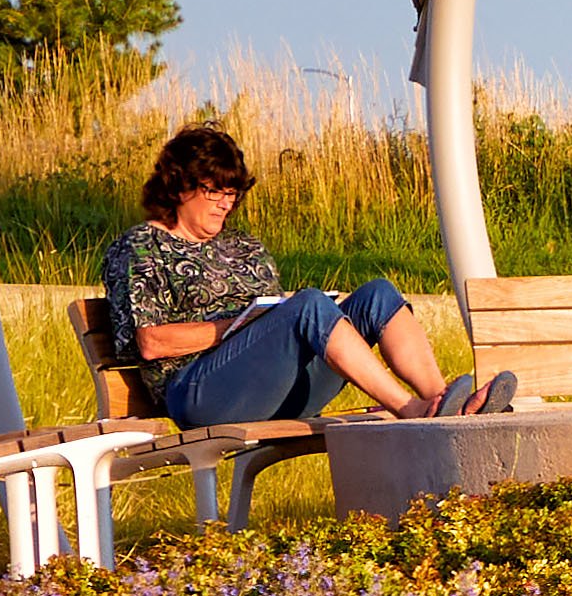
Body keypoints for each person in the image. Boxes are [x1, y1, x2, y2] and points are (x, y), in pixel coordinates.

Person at [95, 124, 500, 424]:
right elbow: (149, 342)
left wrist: (272, 320)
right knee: (307, 305)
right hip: (200, 395)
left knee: (377, 294)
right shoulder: (142, 247)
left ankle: (442, 403)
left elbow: (281, 329)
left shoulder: (244, 246)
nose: (224, 203)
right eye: (213, 190)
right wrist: (238, 326)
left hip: (270, 388)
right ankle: (410, 410)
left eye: (232, 193)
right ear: (178, 186)